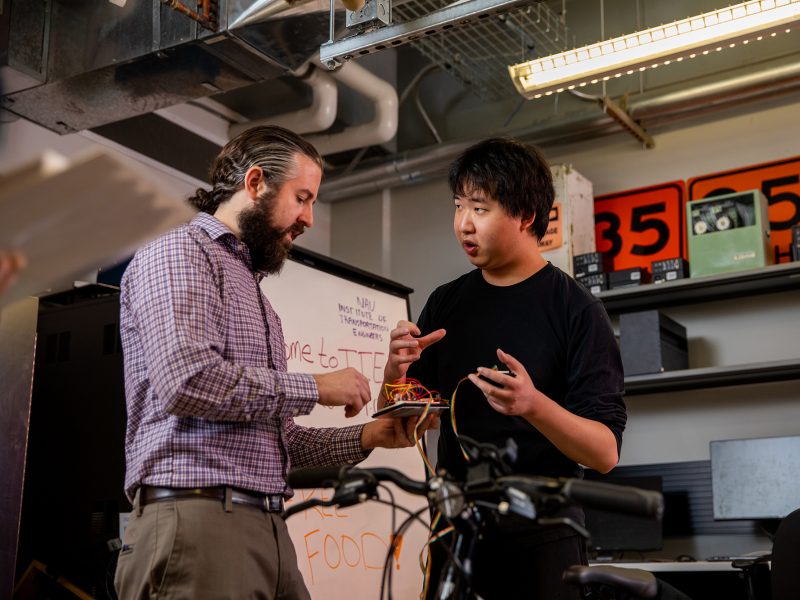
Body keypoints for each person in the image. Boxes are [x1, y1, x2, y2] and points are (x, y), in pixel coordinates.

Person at [115, 125, 426, 600]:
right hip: (197, 519)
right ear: (256, 182)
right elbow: (189, 380)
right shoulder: (180, 252)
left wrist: (370, 435)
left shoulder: (261, 302)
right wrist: (316, 386)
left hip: (267, 525)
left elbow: (280, 441)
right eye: (302, 198)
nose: (309, 219)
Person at [382, 137, 627, 599]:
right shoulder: (445, 302)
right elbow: (400, 425)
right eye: (458, 206)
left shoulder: (575, 309)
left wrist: (533, 406)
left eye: (480, 207)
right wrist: (394, 372)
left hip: (544, 534)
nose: (463, 224)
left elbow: (604, 452)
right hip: (457, 531)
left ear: (526, 215)